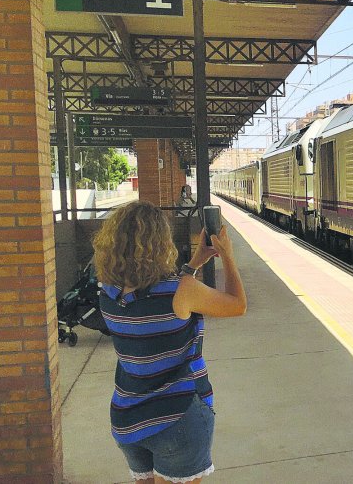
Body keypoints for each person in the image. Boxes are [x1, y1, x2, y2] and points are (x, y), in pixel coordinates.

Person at [92, 201, 247, 483]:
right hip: (178, 417)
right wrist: (228, 256)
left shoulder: (107, 291)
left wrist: (194, 264)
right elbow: (237, 305)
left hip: (129, 419)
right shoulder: (181, 291)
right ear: (161, 242)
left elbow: (153, 294)